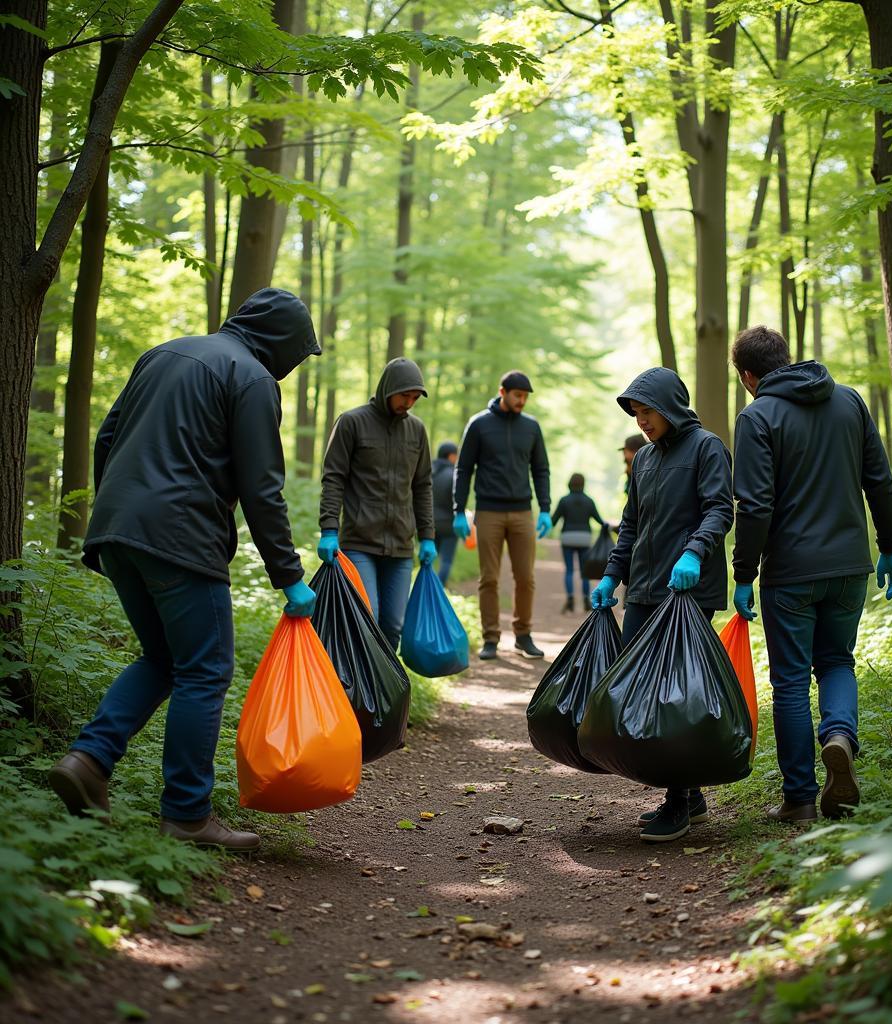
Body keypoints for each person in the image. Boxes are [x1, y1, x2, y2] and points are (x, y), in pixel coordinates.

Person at [47, 288, 321, 852]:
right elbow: (261, 488)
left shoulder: (163, 353)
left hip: (117, 528)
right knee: (206, 668)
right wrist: (288, 574)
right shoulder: (251, 378)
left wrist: (120, 510)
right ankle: (188, 815)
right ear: (283, 344)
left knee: (164, 659)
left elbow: (106, 436)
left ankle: (89, 761)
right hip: (179, 537)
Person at [730, 326, 892, 823]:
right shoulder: (849, 401)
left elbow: (756, 505)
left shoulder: (757, 416)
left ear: (747, 375)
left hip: (790, 574)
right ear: (786, 358)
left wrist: (744, 572)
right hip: (851, 566)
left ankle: (800, 800)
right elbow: (880, 480)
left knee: (788, 683)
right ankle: (840, 736)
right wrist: (891, 548)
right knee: (836, 663)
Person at [591, 367, 733, 843]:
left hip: (686, 592)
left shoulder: (707, 448)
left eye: (647, 411)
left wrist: (694, 551)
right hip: (644, 590)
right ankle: (689, 797)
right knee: (639, 690)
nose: (641, 422)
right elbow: (630, 524)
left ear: (670, 406)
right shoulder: (646, 459)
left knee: (674, 697)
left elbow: (720, 509)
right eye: (636, 413)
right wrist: (613, 573)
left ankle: (676, 801)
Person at [318, 358, 435, 651]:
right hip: (359, 542)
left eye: (414, 398)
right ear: (388, 389)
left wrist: (428, 537)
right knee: (367, 619)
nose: (409, 403)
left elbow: (423, 487)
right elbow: (333, 479)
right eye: (404, 395)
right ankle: (359, 694)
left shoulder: (417, 431)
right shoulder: (352, 422)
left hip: (400, 546)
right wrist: (329, 529)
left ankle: (383, 695)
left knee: (393, 626)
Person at [453, 370, 551, 660]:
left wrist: (545, 508)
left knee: (526, 577)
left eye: (525, 397)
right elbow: (463, 469)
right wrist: (459, 511)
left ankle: (523, 635)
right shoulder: (479, 425)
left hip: (522, 511)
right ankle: (491, 638)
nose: (522, 401)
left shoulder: (531, 428)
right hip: (489, 512)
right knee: (489, 579)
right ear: (502, 392)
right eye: (517, 395)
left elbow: (541, 469)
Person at [552, 473, 605, 613]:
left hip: (568, 537)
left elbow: (553, 520)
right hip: (584, 538)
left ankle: (570, 599)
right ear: (583, 484)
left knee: (569, 570)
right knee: (584, 572)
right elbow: (599, 520)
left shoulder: (564, 500)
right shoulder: (589, 501)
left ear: (569, 483)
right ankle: (586, 600)